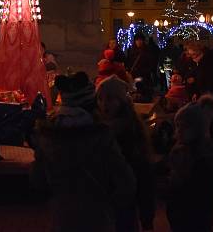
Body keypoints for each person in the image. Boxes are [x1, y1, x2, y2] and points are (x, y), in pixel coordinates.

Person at [32, 72, 136, 232]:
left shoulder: (47, 135)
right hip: (97, 215)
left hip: (62, 215)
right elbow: (125, 180)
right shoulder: (101, 136)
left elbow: (38, 179)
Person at [96, 75, 155, 232]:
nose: (104, 104)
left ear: (121, 102)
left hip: (122, 204)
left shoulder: (130, 132)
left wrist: (146, 217)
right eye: (100, 99)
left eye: (110, 99)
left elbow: (144, 175)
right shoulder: (97, 129)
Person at [163, 94, 213, 232]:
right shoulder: (179, 150)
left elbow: (207, 193)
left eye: (185, 127)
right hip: (179, 214)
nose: (180, 131)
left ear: (197, 129)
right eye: (178, 126)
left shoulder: (203, 155)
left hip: (195, 216)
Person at [179, 41, 213, 145]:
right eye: (190, 55)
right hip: (204, 96)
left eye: (194, 55)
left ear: (200, 52)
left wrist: (199, 90)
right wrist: (193, 85)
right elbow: (195, 76)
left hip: (212, 97)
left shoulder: (210, 62)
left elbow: (211, 82)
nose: (192, 57)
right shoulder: (198, 62)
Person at [126, 35, 158, 102]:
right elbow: (129, 62)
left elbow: (151, 62)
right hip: (135, 75)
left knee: (144, 92)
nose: (139, 42)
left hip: (144, 75)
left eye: (140, 40)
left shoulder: (147, 51)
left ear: (143, 41)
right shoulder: (131, 51)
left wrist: (147, 71)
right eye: (137, 40)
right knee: (136, 91)